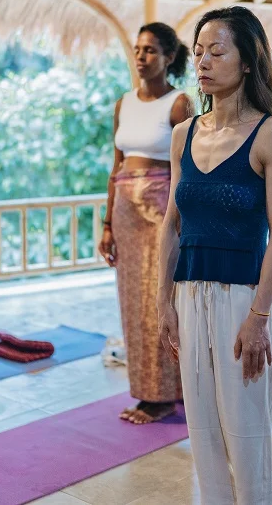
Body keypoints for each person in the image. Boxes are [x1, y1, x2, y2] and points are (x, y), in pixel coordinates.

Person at [157, 6, 272, 504]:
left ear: (247, 60)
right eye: (198, 52)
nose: (203, 62)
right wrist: (164, 305)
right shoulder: (183, 135)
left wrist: (259, 315)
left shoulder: (271, 136)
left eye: (217, 51)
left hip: (244, 300)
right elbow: (172, 226)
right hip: (190, 294)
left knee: (246, 430)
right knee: (204, 433)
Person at [99, 23, 193, 424]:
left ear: (169, 57)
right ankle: (146, 390)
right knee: (132, 303)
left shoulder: (179, 104)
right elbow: (115, 165)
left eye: (151, 50)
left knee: (163, 300)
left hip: (162, 208)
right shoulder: (123, 103)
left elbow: (190, 168)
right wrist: (107, 224)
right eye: (138, 50)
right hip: (124, 209)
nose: (141, 57)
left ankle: (168, 393)